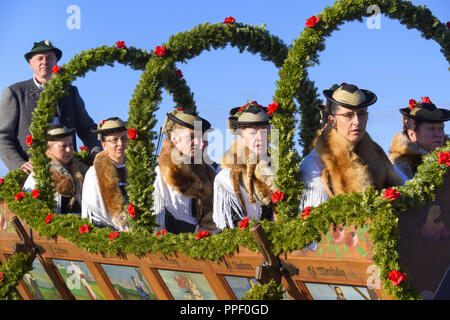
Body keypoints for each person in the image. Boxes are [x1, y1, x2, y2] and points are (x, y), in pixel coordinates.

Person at [0, 40, 101, 175]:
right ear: (30, 63)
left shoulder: (70, 92)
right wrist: (19, 163)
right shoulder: (15, 92)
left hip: (69, 170)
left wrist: (96, 152)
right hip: (32, 171)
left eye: (49, 58)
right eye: (40, 58)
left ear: (56, 62)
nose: (44, 62)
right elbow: (3, 135)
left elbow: (87, 129)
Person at [299, 83, 403, 210]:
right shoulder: (314, 163)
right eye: (348, 115)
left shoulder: (377, 154)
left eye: (362, 114)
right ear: (332, 120)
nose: (357, 122)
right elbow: (312, 221)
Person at [152, 108, 217, 234]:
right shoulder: (159, 175)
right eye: (192, 137)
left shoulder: (210, 172)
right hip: (173, 248)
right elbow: (157, 220)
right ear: (175, 138)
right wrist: (195, 231)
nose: (199, 143)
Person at [213, 101, 276, 230]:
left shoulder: (276, 170)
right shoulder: (226, 178)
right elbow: (230, 229)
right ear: (240, 138)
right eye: (253, 133)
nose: (260, 137)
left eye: (264, 131)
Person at [23, 124, 88, 215]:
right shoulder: (39, 175)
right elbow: (29, 209)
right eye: (63, 146)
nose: (69, 150)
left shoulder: (81, 171)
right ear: (49, 149)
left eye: (71, 144)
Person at [82, 117, 130, 231]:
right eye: (114, 140)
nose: (120, 144)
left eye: (124, 138)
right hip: (110, 237)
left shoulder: (137, 169)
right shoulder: (94, 174)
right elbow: (93, 213)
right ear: (104, 145)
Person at [389, 98, 449, 182]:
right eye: (431, 128)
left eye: (441, 128)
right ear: (412, 134)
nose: (438, 134)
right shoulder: (399, 168)